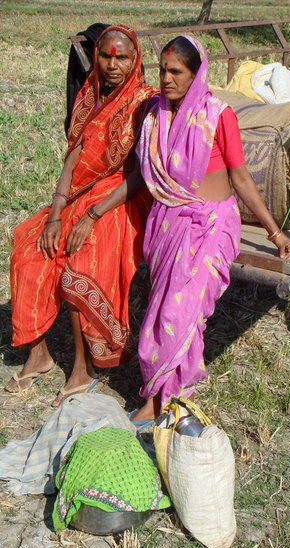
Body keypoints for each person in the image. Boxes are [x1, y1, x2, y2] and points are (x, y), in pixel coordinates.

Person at [130, 36, 290, 422]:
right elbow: (143, 173)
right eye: (162, 70)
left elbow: (241, 179)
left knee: (177, 314)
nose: (166, 78)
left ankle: (163, 399)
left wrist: (275, 232)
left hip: (210, 227)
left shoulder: (218, 115)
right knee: (161, 310)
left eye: (176, 71)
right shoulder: (154, 116)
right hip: (168, 226)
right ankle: (170, 392)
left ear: (196, 73)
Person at [5, 25, 156, 407]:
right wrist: (56, 214)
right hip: (83, 194)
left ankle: (84, 367)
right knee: (29, 243)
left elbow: (139, 173)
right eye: (106, 55)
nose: (112, 64)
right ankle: (37, 356)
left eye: (121, 57)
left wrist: (92, 214)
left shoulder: (145, 102)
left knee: (81, 263)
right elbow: (74, 156)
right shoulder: (90, 96)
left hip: (123, 198)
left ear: (134, 59)